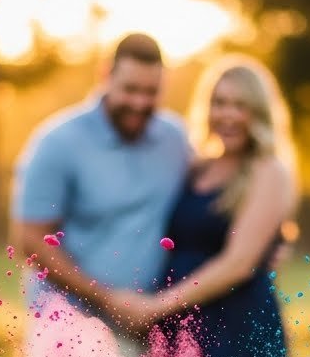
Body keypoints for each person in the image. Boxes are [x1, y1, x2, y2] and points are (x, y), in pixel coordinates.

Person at [105, 59, 297, 357]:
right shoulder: (197, 168)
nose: (228, 115)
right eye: (219, 103)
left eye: (240, 105)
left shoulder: (268, 171)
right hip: (182, 330)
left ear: (258, 113)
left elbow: (238, 265)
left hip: (237, 333)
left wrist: (153, 308)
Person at [10, 33, 190, 329]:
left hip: (146, 326)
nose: (140, 102)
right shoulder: (58, 142)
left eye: (151, 92)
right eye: (130, 89)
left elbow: (212, 193)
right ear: (105, 75)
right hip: (66, 327)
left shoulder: (175, 139)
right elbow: (31, 240)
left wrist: (263, 238)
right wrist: (107, 300)